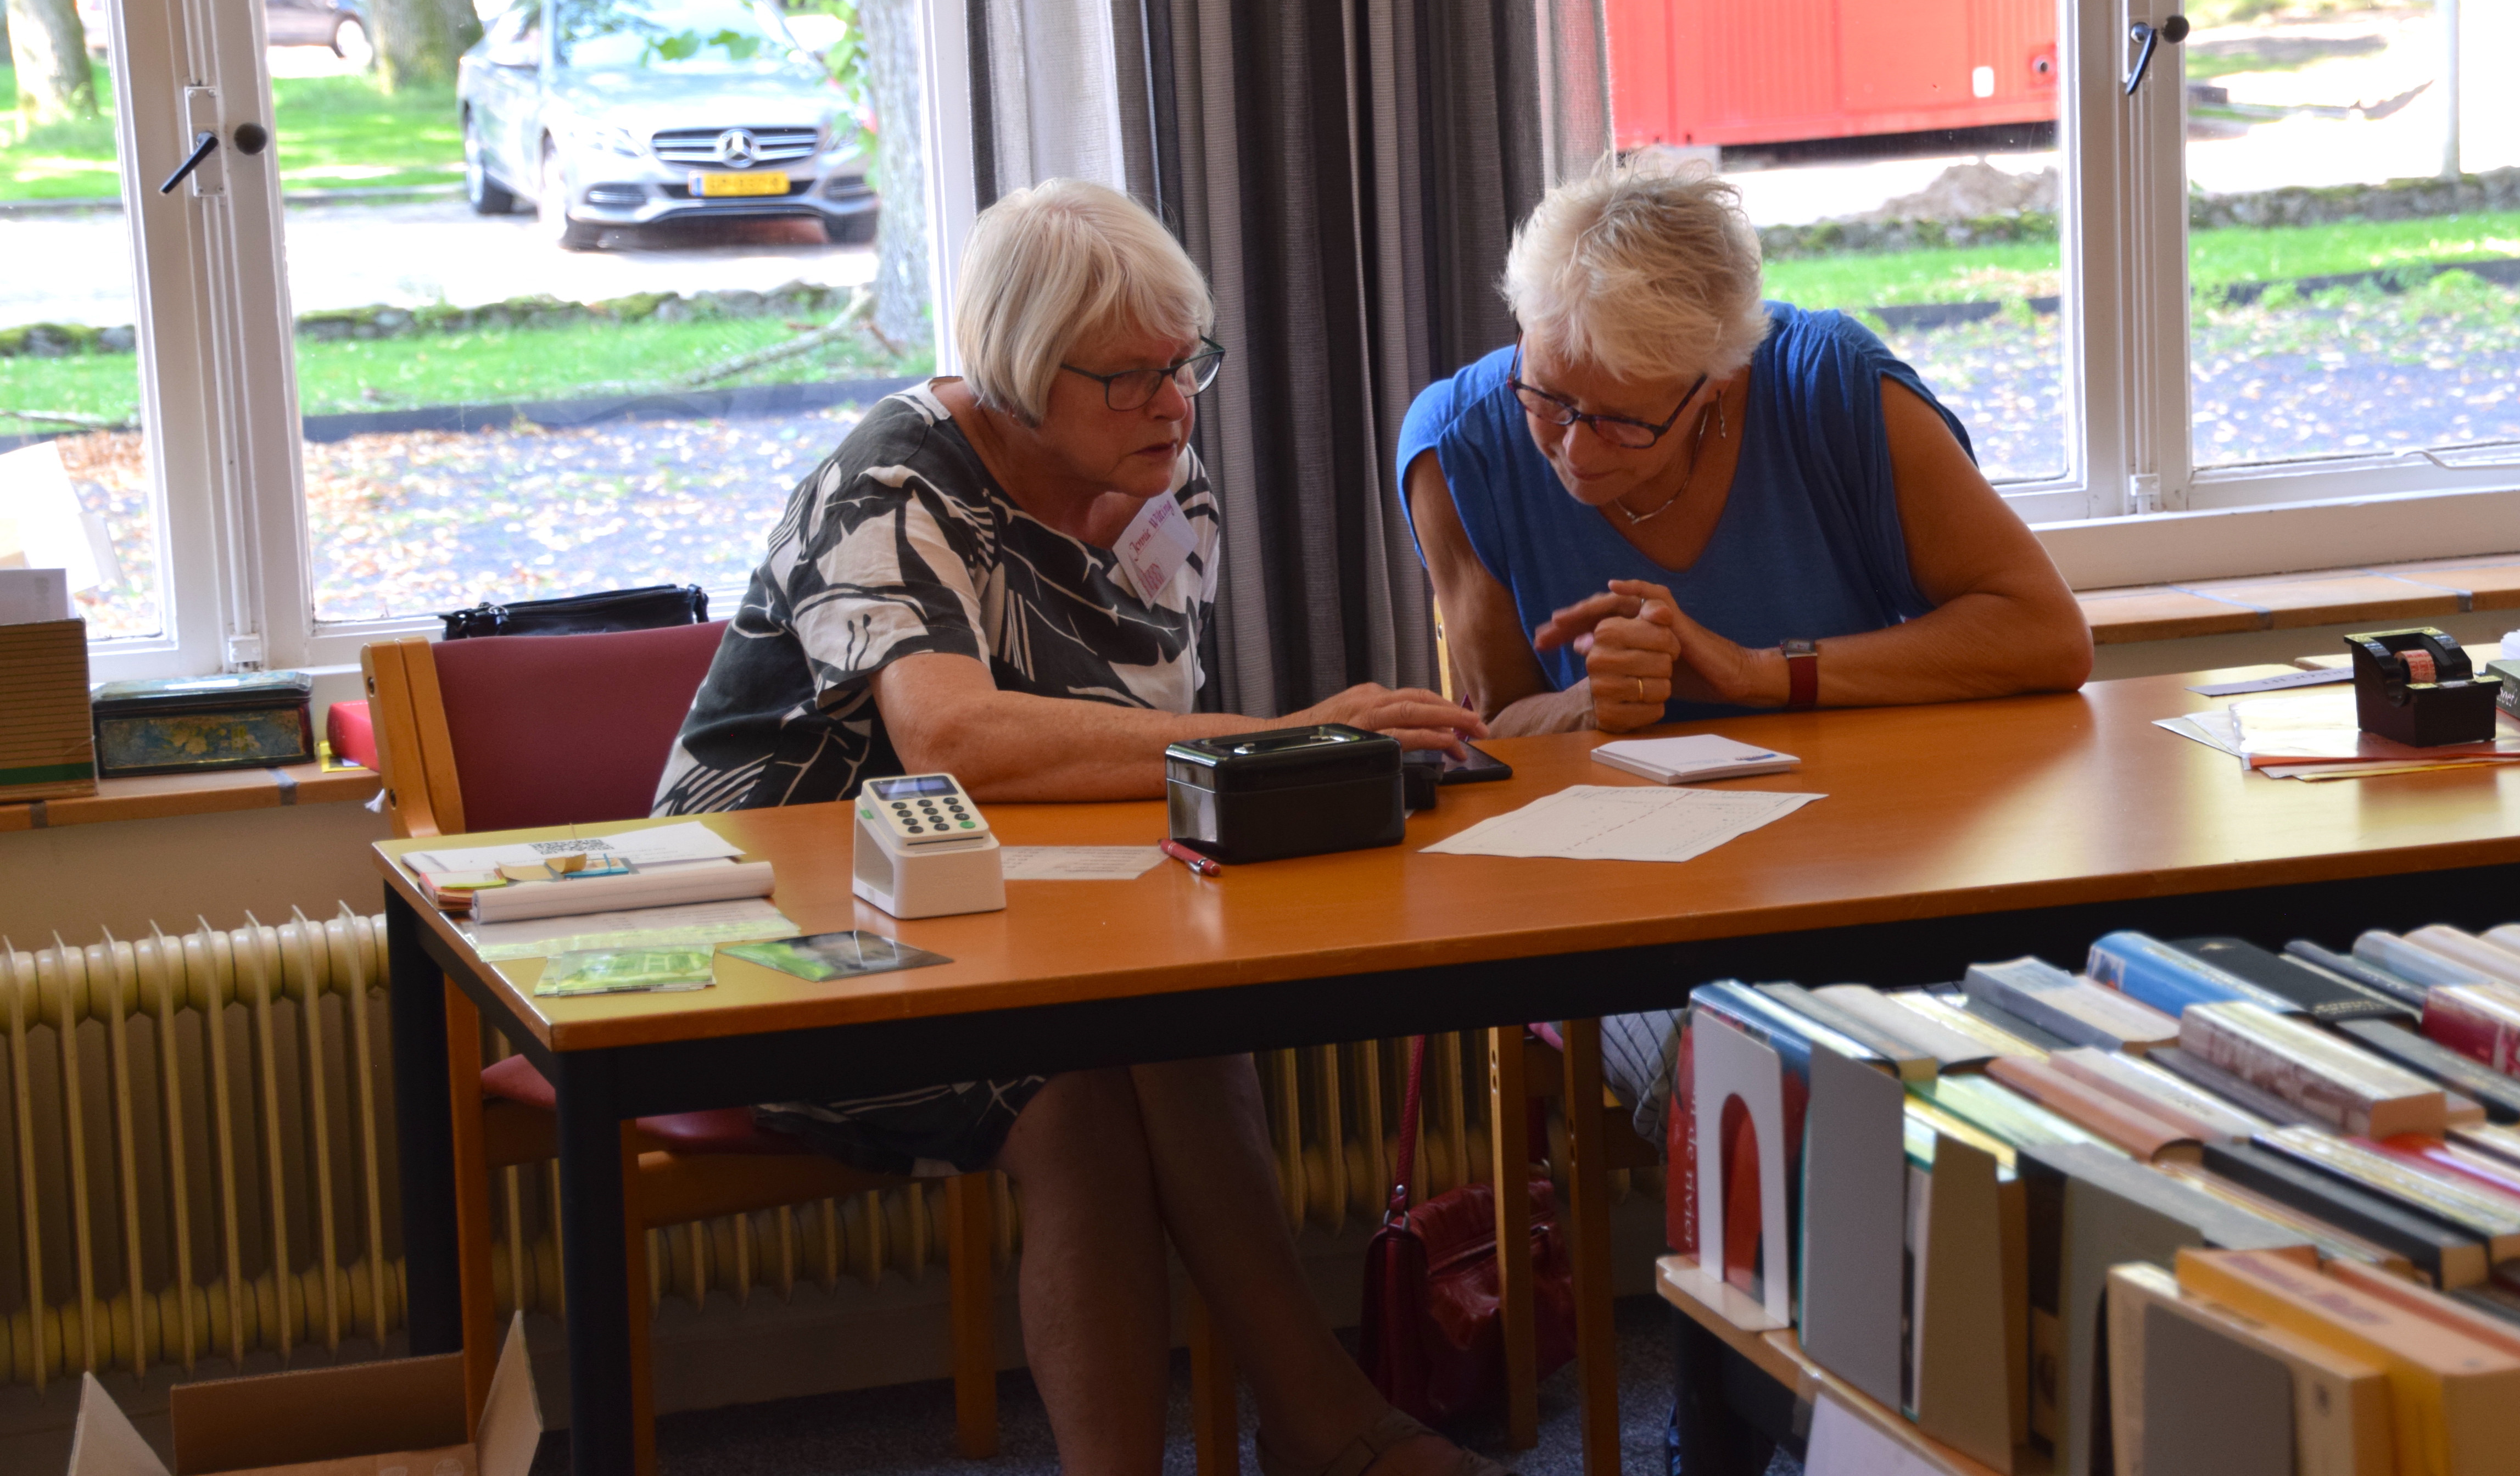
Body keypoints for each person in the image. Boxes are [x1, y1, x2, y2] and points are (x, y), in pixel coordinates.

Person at [658, 178, 1497, 1476]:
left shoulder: (1161, 477)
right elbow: (954, 738)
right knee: (1073, 1098)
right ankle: (1311, 1422)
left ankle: (1319, 1421)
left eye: (1185, 363)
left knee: (1171, 1020)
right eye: (1127, 378)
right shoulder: (888, 486)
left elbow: (1128, 754)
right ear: (1016, 372)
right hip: (785, 934)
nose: (1174, 405)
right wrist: (1284, 736)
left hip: (1005, 910)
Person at [1396, 156, 2092, 1135]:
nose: (1576, 451)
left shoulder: (1831, 392)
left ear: (1720, 380)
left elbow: (2043, 632)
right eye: (1548, 399)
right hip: (1617, 897)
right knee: (1757, 1078)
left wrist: (1759, 674)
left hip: (1866, 857)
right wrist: (1587, 705)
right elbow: (1497, 728)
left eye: (1624, 423)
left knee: (2009, 1041)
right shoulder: (1461, 446)